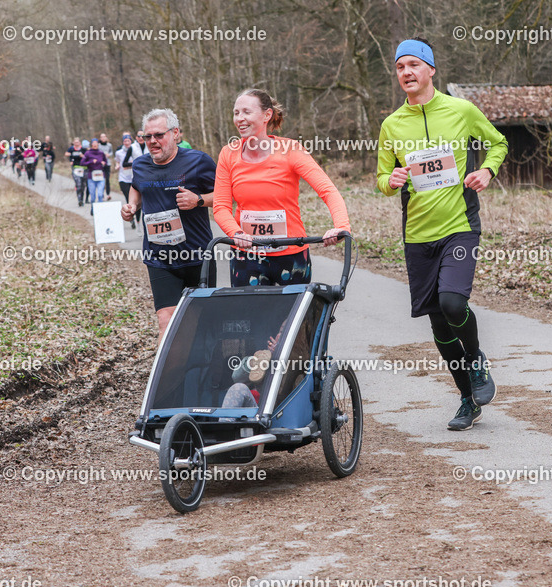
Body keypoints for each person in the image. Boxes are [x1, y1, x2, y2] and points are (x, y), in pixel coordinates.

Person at [376, 38, 508, 431]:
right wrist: (391, 179)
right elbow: (383, 177)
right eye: (400, 67)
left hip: (459, 227)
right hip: (418, 234)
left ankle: (477, 358)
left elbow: (498, 143)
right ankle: (468, 399)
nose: (407, 73)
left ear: (431, 69)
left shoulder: (461, 110)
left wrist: (486, 171)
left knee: (453, 303)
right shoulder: (391, 124)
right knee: (437, 323)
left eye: (414, 64)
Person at [213, 88, 349, 287]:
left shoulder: (291, 150)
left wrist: (341, 226)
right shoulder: (228, 154)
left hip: (291, 253)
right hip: (248, 254)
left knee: (293, 317)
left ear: (267, 115)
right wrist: (237, 234)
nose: (240, 118)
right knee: (251, 317)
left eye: (246, 112)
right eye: (236, 113)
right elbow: (221, 207)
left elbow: (328, 191)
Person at [120, 108, 216, 339]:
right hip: (159, 257)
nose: (152, 141)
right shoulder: (141, 165)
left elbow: (226, 195)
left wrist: (198, 200)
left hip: (197, 254)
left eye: (159, 135)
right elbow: (136, 187)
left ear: (175, 134)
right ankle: (170, 375)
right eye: (147, 137)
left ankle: (204, 370)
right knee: (166, 320)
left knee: (202, 321)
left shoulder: (198, 161)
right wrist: (131, 206)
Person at [117, 132, 144, 228]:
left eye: (143, 136)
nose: (141, 138)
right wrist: (134, 164)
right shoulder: (132, 148)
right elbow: (123, 164)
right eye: (139, 136)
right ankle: (133, 218)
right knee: (132, 201)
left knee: (142, 200)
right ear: (136, 138)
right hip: (128, 177)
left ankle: (138, 222)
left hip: (145, 178)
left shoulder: (150, 147)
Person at [77, 139, 108, 212]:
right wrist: (90, 162)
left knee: (100, 194)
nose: (95, 144)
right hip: (91, 177)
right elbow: (82, 163)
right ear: (91, 144)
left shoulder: (101, 153)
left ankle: (100, 210)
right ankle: (93, 208)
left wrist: (104, 163)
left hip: (101, 176)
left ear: (98, 144)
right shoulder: (88, 153)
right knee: (93, 195)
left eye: (96, 143)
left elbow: (105, 162)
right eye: (93, 143)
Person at [67, 138, 86, 206]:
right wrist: (70, 156)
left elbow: (87, 157)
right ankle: (79, 200)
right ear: (73, 143)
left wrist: (83, 156)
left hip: (83, 168)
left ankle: (82, 199)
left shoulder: (83, 149)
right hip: (75, 168)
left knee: (83, 185)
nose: (76, 143)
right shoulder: (71, 149)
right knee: (78, 184)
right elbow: (66, 153)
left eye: (77, 142)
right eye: (75, 142)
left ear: (79, 143)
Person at [97, 132, 114, 200]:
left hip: (107, 163)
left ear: (106, 137)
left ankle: (108, 194)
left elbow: (111, 152)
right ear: (100, 138)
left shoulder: (109, 145)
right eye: (102, 137)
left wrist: (108, 155)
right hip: (100, 164)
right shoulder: (98, 145)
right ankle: (102, 195)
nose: (103, 138)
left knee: (107, 179)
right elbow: (97, 154)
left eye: (104, 137)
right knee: (101, 179)